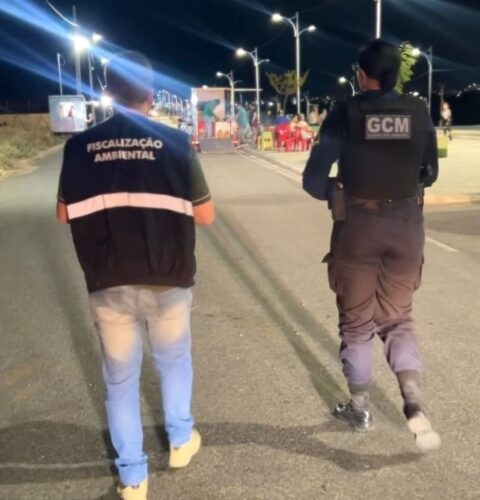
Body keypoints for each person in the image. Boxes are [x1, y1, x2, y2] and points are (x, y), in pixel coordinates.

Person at [56, 51, 215, 500]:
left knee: (120, 381)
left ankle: (132, 478)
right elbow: (205, 215)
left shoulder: (78, 147)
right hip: (167, 276)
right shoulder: (176, 143)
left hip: (108, 278)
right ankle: (180, 440)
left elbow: (64, 214)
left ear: (107, 93)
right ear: (151, 94)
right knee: (174, 361)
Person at [303, 39, 441, 452]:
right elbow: (430, 173)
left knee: (358, 325)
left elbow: (313, 179)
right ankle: (412, 402)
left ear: (362, 75)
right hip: (406, 228)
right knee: (398, 320)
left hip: (358, 230)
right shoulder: (419, 111)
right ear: (396, 74)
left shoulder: (345, 112)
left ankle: (360, 408)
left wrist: (338, 191)